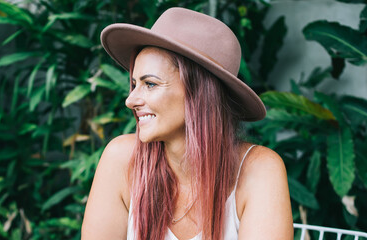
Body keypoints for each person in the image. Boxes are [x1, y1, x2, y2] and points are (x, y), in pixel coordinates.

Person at [82, 7, 293, 240]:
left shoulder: (258, 170)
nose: (130, 100)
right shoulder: (121, 159)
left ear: (199, 93)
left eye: (150, 84)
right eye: (134, 84)